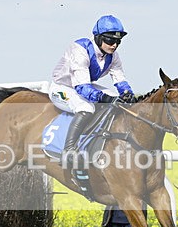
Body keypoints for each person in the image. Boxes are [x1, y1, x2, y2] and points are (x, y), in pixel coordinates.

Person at [49, 15, 137, 169]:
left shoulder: (113, 56)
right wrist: (104, 98)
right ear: (98, 37)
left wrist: (128, 94)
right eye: (110, 40)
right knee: (87, 107)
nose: (114, 45)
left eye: (118, 41)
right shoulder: (80, 49)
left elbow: (119, 78)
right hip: (62, 88)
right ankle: (69, 150)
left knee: (117, 99)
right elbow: (82, 88)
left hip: (84, 85)